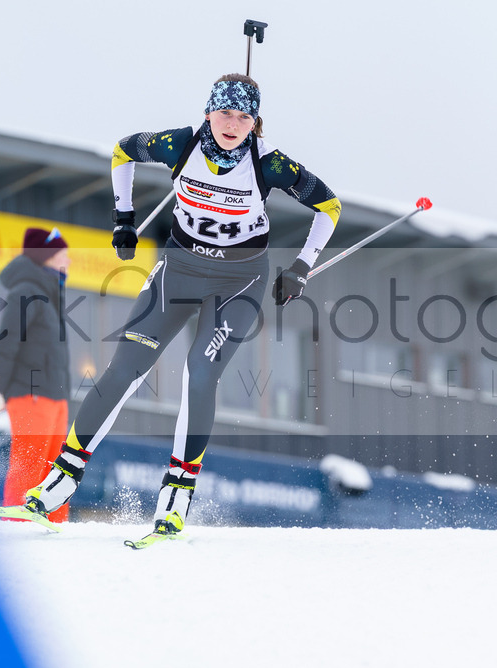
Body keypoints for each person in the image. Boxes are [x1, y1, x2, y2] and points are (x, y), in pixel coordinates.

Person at [22, 73, 341, 537]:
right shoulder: (178, 144)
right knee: (125, 368)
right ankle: (62, 479)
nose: (232, 124)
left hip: (239, 282)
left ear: (255, 123)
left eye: (244, 117)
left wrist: (302, 267)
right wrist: (123, 218)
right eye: (225, 113)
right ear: (208, 112)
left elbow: (329, 206)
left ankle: (176, 496)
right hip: (179, 271)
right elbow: (123, 152)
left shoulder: (270, 163)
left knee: (201, 373)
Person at [0, 227, 72, 523]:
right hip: (30, 392)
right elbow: (6, 343)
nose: (68, 261)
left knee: (57, 468)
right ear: (46, 256)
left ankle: (53, 523)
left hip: (55, 394)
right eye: (63, 254)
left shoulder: (50, 293)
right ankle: (17, 521)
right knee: (29, 462)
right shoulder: (26, 290)